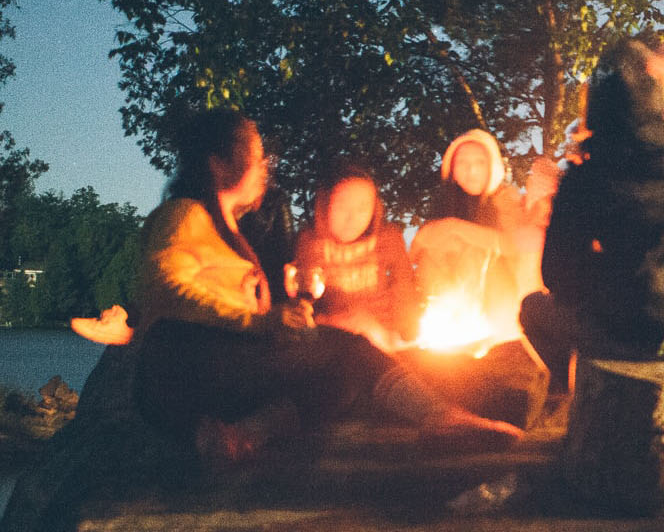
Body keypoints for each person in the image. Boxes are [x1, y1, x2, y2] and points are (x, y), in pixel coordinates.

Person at [130, 109, 519, 462]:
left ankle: (241, 436)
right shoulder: (184, 214)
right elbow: (164, 286)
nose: (265, 166)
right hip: (185, 365)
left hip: (224, 366)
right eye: (257, 155)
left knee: (344, 372)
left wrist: (275, 323)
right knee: (352, 349)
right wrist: (259, 322)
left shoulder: (230, 228)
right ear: (219, 165)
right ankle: (441, 417)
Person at [520, 39, 664, 387]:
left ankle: (577, 400)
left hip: (644, 336)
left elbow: (558, 276)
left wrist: (613, 277)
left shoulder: (588, 177)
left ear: (596, 102)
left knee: (534, 309)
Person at [411, 129, 550, 342]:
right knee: (437, 248)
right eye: (462, 162)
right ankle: (447, 320)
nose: (472, 170)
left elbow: (515, 245)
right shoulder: (447, 205)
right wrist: (427, 236)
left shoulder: (505, 199)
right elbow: (417, 251)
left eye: (480, 162)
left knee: (470, 247)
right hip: (456, 294)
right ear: (452, 168)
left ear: (492, 166)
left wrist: (457, 228)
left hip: (504, 295)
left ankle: (497, 331)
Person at [290, 161, 421, 352]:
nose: (352, 218)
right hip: (335, 343)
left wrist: (405, 334)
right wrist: (337, 322)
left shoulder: (387, 238)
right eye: (342, 207)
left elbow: (404, 289)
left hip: (387, 340)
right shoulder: (311, 243)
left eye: (363, 208)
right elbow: (305, 307)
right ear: (325, 205)